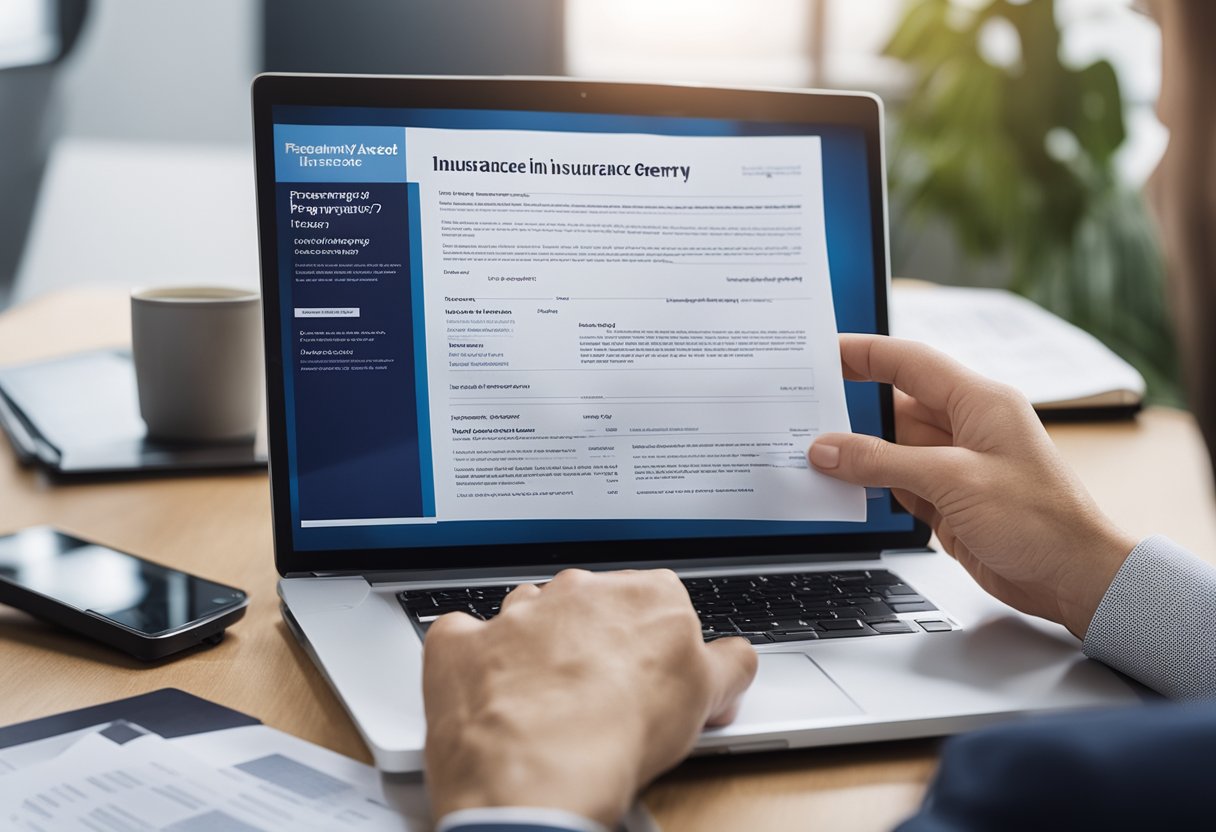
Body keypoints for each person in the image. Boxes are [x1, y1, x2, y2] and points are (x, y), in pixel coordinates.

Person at [421, 2, 1216, 829]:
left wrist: (526, 794)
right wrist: (1093, 569)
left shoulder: (1049, 797)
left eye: (1175, 49)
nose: (1160, 140)